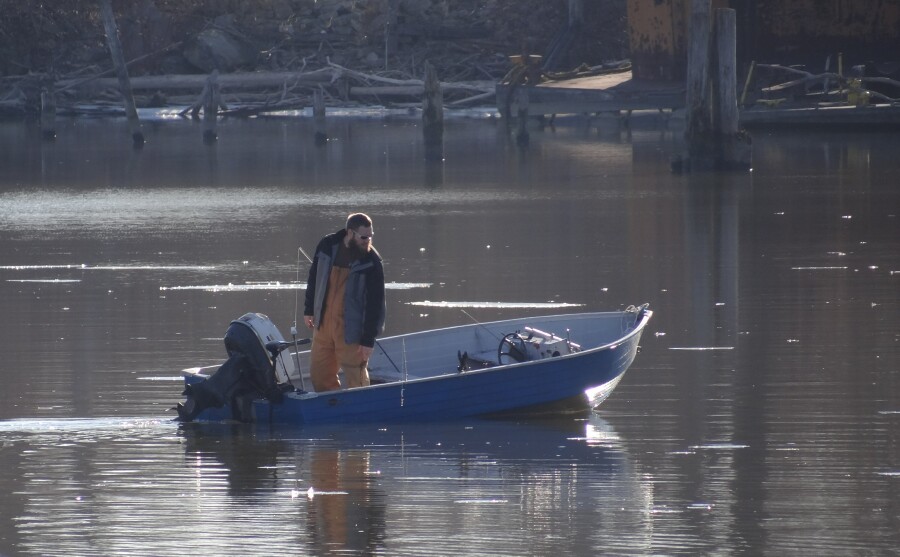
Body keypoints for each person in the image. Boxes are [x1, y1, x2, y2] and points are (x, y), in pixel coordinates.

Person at [304, 213, 386, 392]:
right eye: (364, 237)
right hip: (323, 326)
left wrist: (368, 340)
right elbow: (313, 278)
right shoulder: (327, 245)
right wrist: (309, 309)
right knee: (319, 375)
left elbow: (376, 305)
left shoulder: (372, 262)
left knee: (357, 381)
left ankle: (363, 413)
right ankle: (330, 410)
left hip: (351, 331)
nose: (368, 241)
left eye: (371, 236)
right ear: (350, 233)